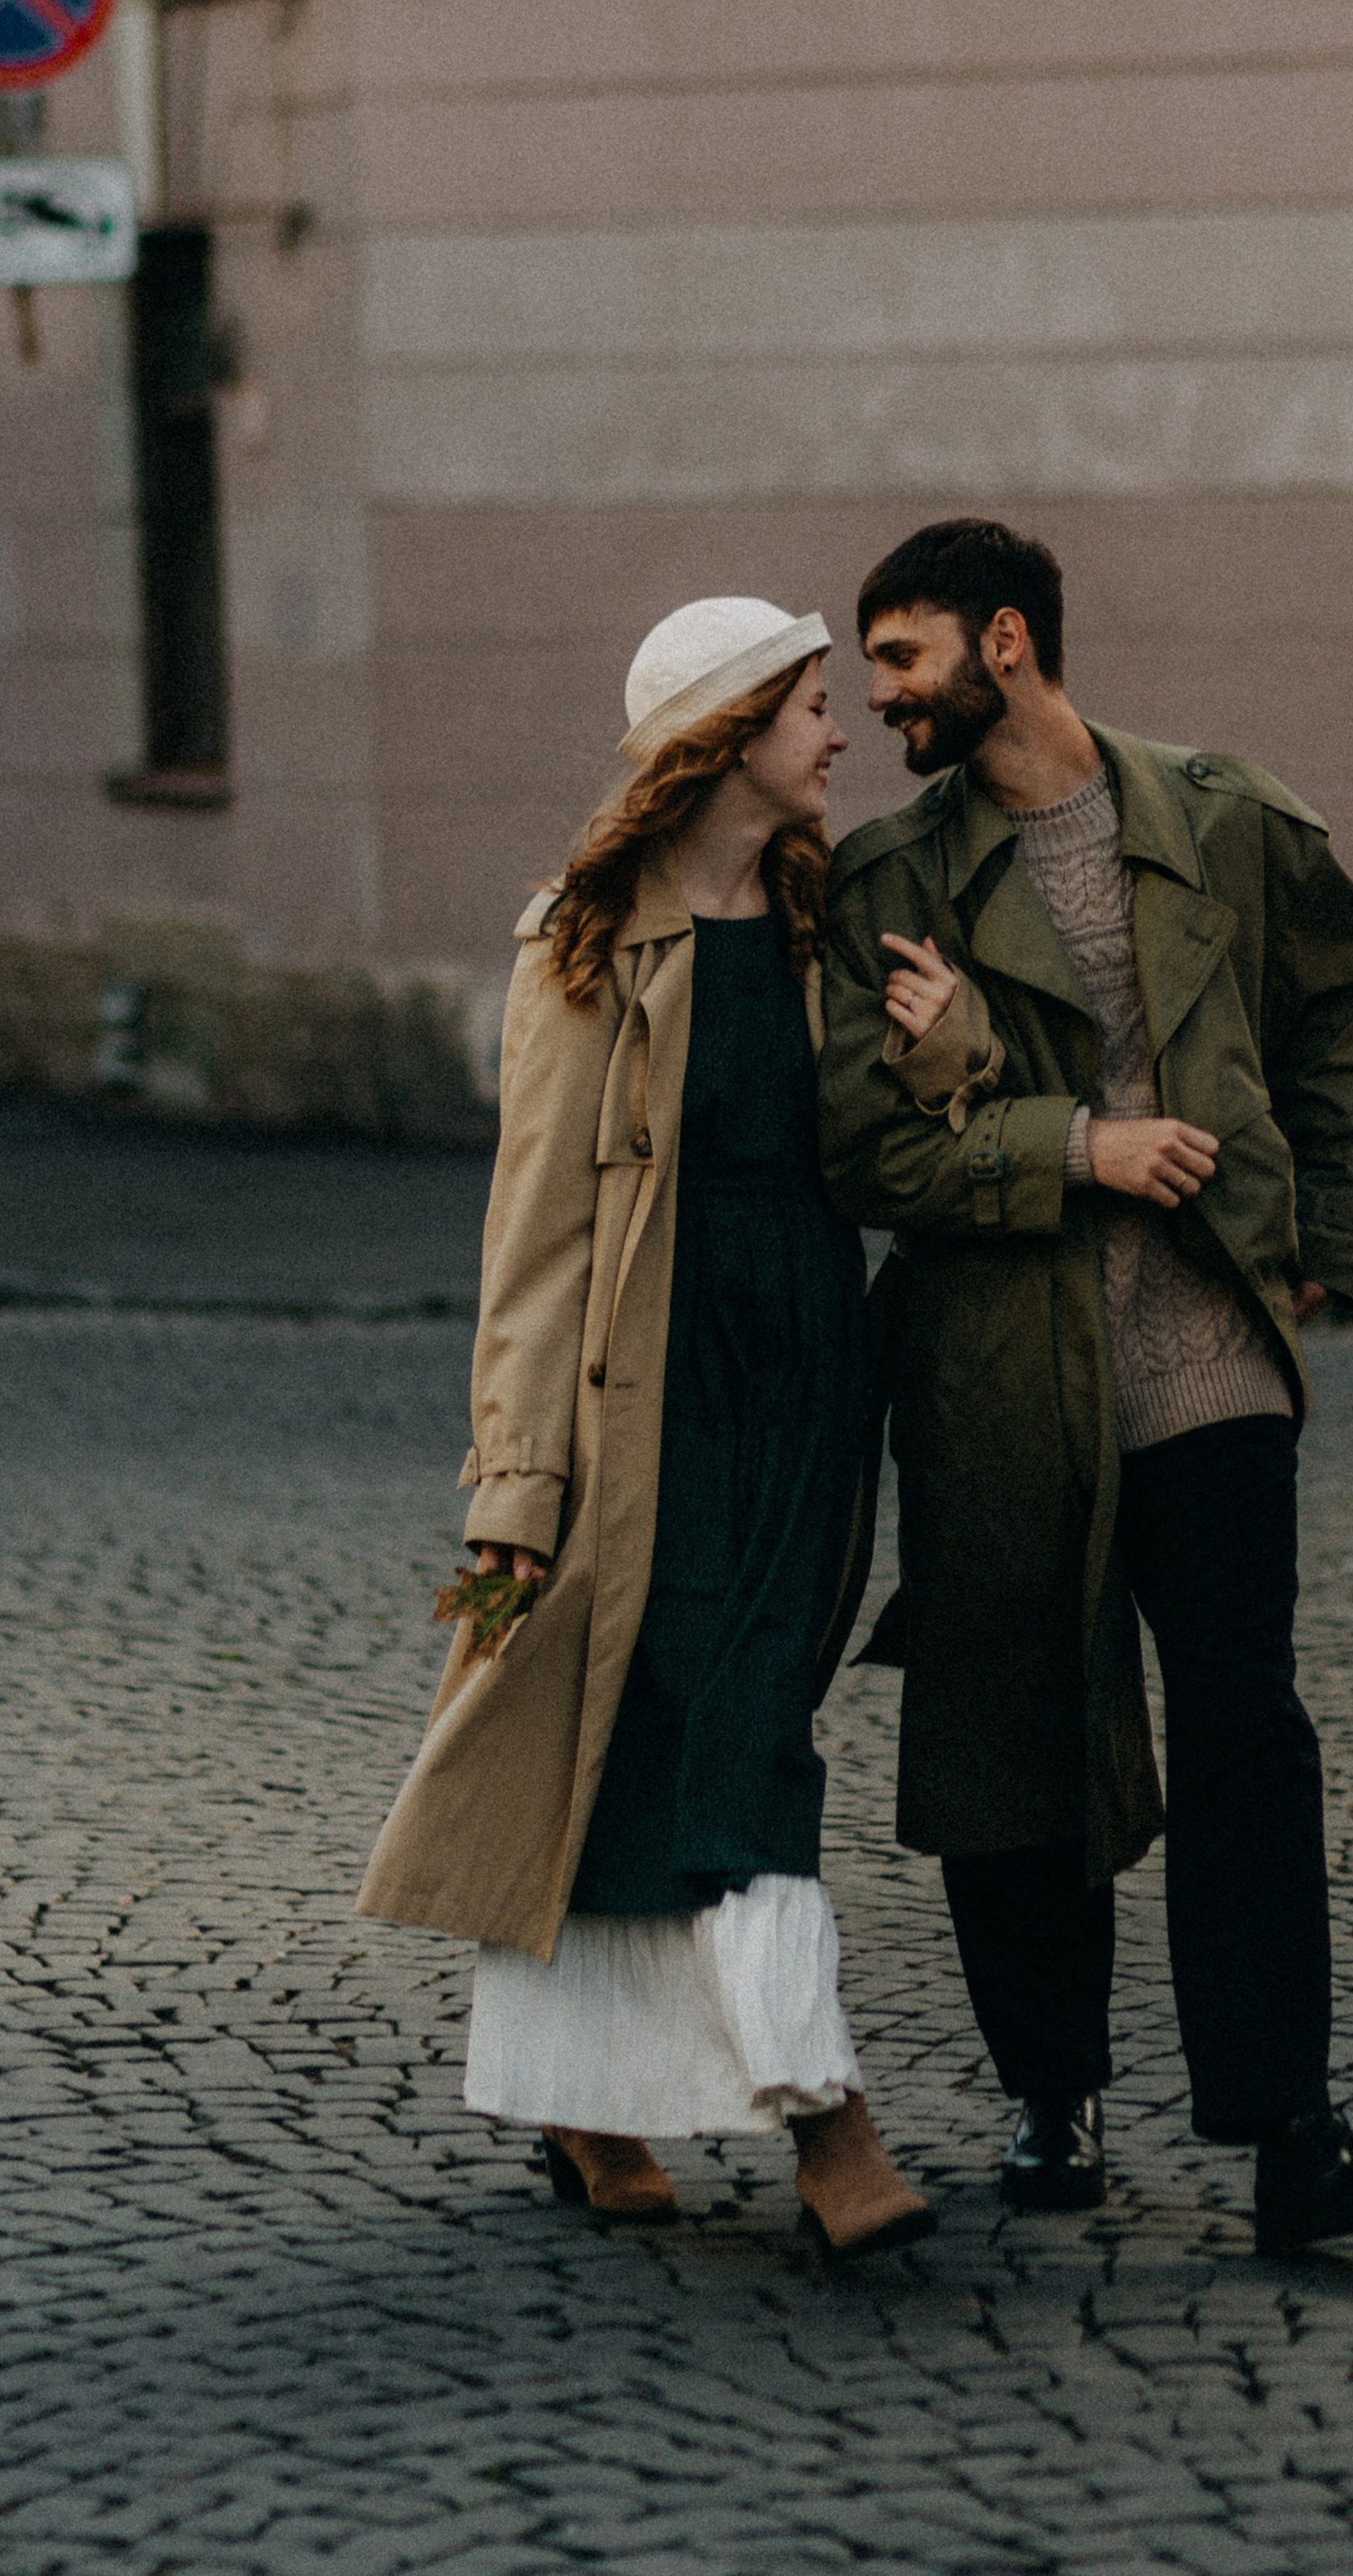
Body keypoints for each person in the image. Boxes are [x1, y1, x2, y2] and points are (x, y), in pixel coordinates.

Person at [817, 519, 1353, 2258]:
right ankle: (1052, 2093)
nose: (880, 699)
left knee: (1249, 1728)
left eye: (907, 657)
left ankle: (1288, 2128)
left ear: (1007, 643)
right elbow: (867, 1147)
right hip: (1007, 1377)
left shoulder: (1225, 820)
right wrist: (1068, 1143)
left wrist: (1327, 1226)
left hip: (1214, 1363)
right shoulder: (893, 882)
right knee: (1021, 1731)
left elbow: (1342, 1013)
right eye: (869, 669)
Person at [360, 597, 952, 2259]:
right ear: (730, 734)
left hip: (807, 1371)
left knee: (730, 1704)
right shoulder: (585, 942)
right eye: (812, 707)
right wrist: (517, 1480)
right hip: (652, 1389)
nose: (839, 734)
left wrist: (951, 1046)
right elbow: (534, 1232)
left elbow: (903, 1128)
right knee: (675, 1725)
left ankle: (590, 2089)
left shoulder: (830, 914)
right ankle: (826, 2122)